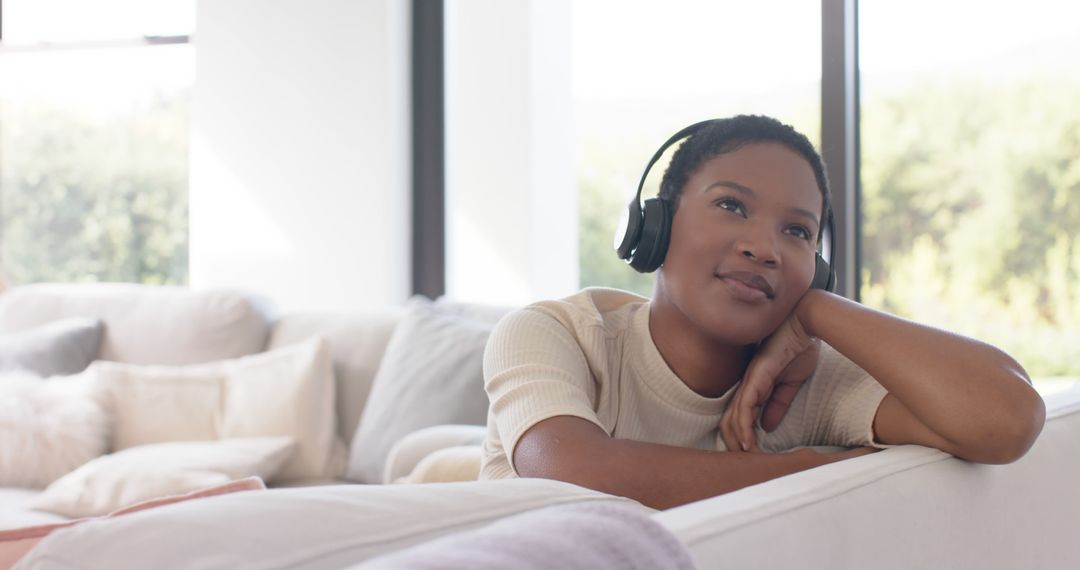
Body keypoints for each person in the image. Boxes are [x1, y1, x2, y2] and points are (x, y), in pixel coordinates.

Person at [477, 115, 1045, 510]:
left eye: (797, 231)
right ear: (655, 226)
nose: (764, 247)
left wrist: (817, 313)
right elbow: (574, 474)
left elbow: (1007, 420)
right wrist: (809, 469)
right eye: (731, 205)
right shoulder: (553, 333)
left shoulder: (808, 387)